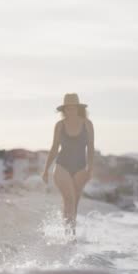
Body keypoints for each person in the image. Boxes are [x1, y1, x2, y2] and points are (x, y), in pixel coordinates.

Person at [42, 93, 95, 235]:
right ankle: (69, 235)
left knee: (74, 203)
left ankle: (71, 233)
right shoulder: (60, 125)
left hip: (80, 167)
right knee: (69, 198)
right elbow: (54, 148)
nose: (71, 111)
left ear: (78, 108)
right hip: (62, 166)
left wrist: (90, 168)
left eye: (73, 108)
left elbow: (91, 148)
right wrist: (46, 169)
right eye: (68, 108)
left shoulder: (87, 124)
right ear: (64, 110)